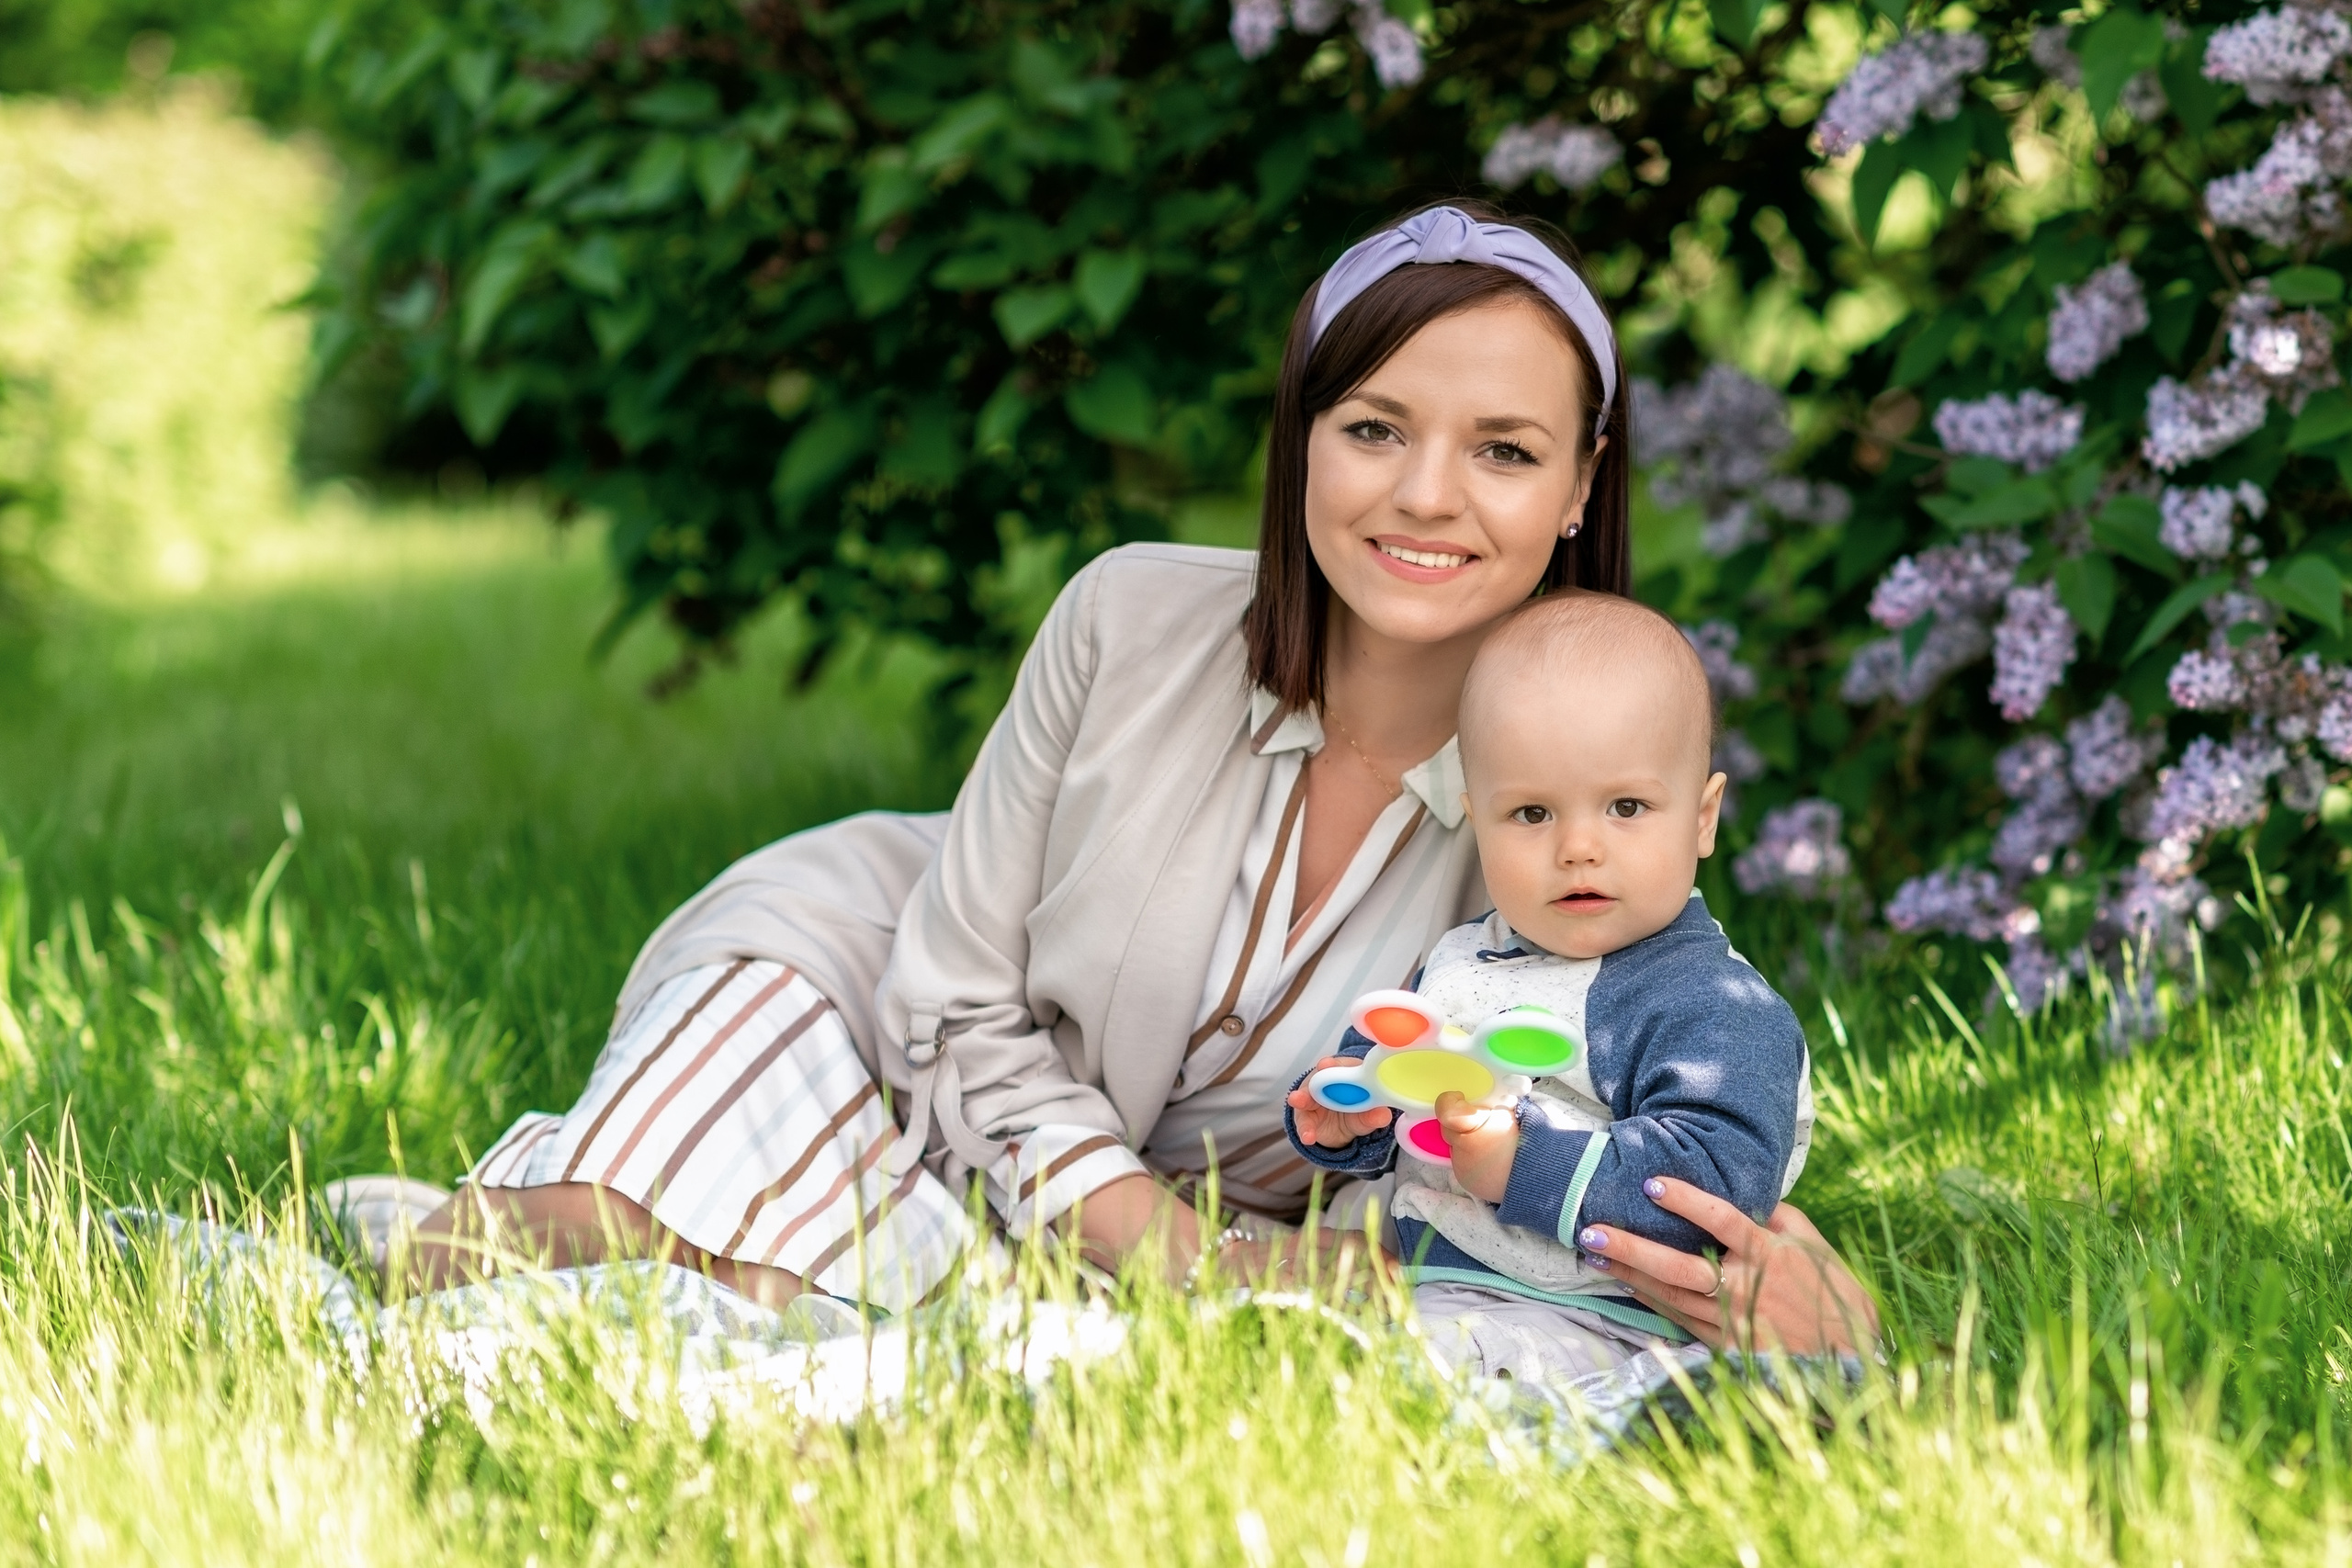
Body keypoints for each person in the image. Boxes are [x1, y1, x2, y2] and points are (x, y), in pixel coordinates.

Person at [389, 200, 1879, 1358]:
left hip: (1097, 1183)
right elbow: (951, 1001)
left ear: (1579, 484)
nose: (1425, 494)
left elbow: (1641, 1057)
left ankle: (767, 1273)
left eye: (1502, 449)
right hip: (872, 994)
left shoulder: (1573, 779)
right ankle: (585, 1235)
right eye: (1372, 429)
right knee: (593, 1240)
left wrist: (1786, 1259)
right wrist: (1194, 1257)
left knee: (893, 1343)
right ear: (1301, 441)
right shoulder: (1126, 614)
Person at [1283, 591, 1812, 1381]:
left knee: (1448, 1395)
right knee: (1340, 1372)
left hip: (1607, 1316)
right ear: (1477, 819)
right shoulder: (1466, 957)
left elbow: (1714, 1176)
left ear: (1702, 818)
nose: (1578, 848)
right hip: (1443, 1284)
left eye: (1626, 805)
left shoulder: (1711, 1006)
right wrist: (1350, 1110)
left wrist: (1519, 1161)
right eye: (1531, 813)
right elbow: (1410, 1069)